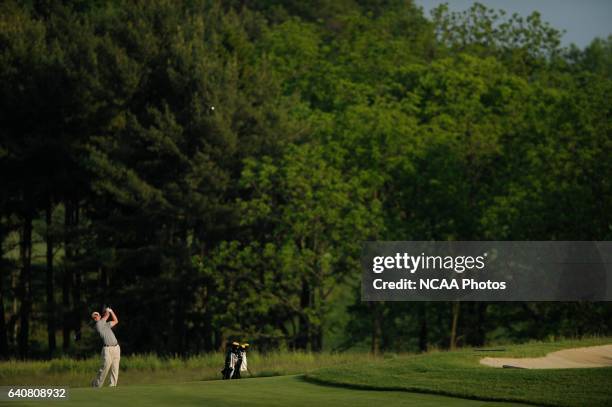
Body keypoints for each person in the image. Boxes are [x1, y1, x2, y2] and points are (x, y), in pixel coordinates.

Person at [91, 307, 120, 387]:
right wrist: (108, 310)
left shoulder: (106, 325)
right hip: (107, 349)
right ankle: (96, 384)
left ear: (100, 316)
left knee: (115, 368)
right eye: (94, 317)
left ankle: (112, 386)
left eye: (96, 315)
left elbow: (116, 321)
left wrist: (112, 311)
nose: (95, 317)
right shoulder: (98, 325)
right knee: (105, 367)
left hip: (116, 348)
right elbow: (107, 316)